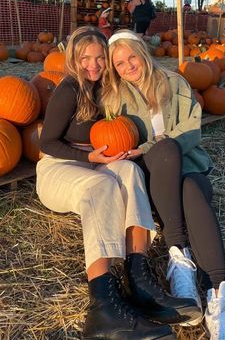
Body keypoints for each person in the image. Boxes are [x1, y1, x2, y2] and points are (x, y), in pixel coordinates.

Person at [36, 26, 200, 340]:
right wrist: (90, 159)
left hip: (95, 165)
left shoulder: (111, 91)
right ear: (74, 58)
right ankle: (103, 309)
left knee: (130, 171)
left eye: (100, 58)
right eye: (86, 58)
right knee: (102, 187)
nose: (94, 65)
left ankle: (139, 279)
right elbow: (46, 144)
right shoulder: (70, 88)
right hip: (59, 168)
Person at [101, 29, 225, 339]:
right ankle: (177, 248)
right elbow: (112, 137)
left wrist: (154, 145)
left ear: (142, 53)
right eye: (119, 63)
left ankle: (220, 293)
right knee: (164, 150)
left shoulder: (174, 82)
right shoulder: (114, 97)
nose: (128, 66)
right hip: (156, 177)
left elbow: (192, 130)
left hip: (190, 170)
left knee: (190, 187)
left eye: (131, 57)